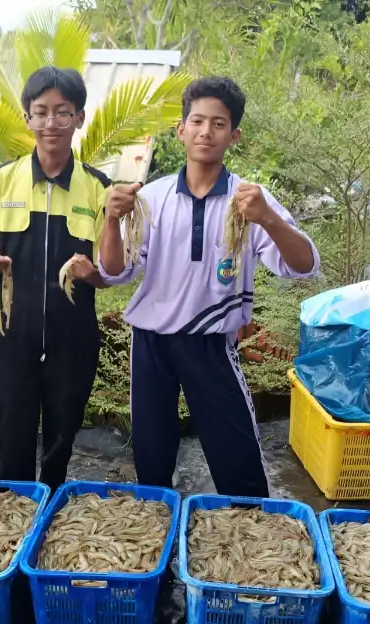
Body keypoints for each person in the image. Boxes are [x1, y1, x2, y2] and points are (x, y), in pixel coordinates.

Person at [99, 76, 319, 498]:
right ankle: (155, 529)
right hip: (151, 343)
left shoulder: (250, 200)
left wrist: (268, 220)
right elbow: (116, 271)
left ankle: (251, 531)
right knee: (151, 451)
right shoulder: (154, 198)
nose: (205, 131)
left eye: (218, 124)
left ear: (233, 135)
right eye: (196, 121)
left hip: (211, 344)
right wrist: (111, 219)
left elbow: (303, 267)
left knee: (235, 451)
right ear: (180, 130)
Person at [0, 66, 110, 490]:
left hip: (74, 332)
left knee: (64, 428)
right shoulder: (4, 181)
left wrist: (92, 273)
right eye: (41, 112)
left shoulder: (96, 188)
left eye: (63, 112)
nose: (51, 123)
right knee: (11, 426)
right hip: (12, 328)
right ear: (27, 117)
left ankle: (51, 504)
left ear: (79, 118)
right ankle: (12, 504)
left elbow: (109, 274)